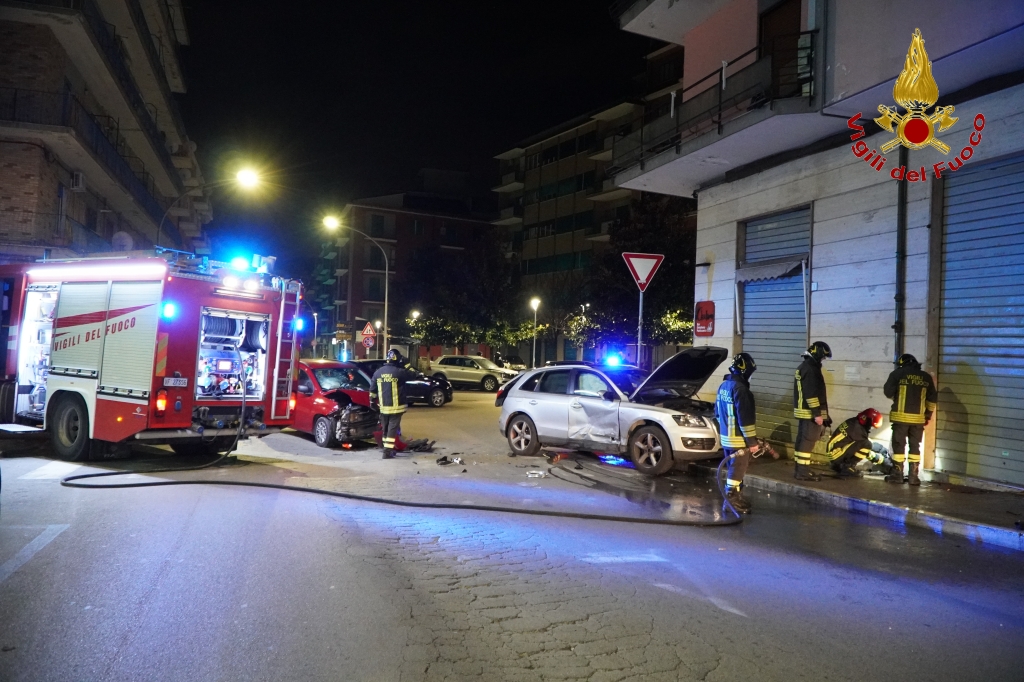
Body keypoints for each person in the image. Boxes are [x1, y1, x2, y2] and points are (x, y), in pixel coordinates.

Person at [715, 352, 761, 514]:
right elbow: (746, 420)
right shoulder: (741, 390)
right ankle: (732, 500)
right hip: (738, 440)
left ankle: (735, 497)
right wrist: (752, 442)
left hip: (726, 438)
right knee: (737, 470)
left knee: (733, 469)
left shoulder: (723, 386)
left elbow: (717, 413)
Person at [884, 353, 937, 486]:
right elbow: (932, 400)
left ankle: (898, 475)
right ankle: (913, 477)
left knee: (899, 445)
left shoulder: (897, 374)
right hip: (918, 420)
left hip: (900, 418)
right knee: (915, 446)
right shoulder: (925, 377)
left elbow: (887, 392)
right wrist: (928, 416)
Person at [793, 341, 832, 481]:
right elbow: (811, 394)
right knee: (808, 441)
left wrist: (825, 415)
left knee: (802, 440)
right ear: (818, 354)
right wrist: (817, 414)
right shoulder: (810, 369)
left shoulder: (806, 366)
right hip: (810, 413)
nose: (823, 360)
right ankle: (803, 472)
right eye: (823, 357)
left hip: (805, 412)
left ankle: (799, 469)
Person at [370, 348, 418, 459]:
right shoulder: (399, 372)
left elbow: (372, 390)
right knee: (392, 428)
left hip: (383, 407)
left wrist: (372, 402)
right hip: (396, 407)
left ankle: (385, 449)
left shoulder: (378, 372)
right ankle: (387, 452)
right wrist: (407, 364)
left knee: (385, 429)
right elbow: (413, 375)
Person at [827, 408, 886, 477]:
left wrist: (882, 449)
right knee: (867, 445)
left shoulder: (855, 422)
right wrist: (882, 460)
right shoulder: (857, 429)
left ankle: (839, 465)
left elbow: (862, 441)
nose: (871, 428)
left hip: (835, 451)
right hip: (836, 453)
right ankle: (848, 467)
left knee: (866, 443)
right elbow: (866, 448)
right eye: (872, 426)